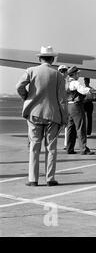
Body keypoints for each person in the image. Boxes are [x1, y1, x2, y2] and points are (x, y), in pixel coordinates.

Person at [16, 46, 67, 186]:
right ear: (52, 59)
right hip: (53, 114)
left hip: (34, 113)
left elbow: (19, 86)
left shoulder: (31, 71)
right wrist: (64, 118)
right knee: (51, 148)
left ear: (40, 58)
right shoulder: (58, 75)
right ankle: (50, 178)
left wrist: (26, 97)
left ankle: (33, 179)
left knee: (34, 147)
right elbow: (62, 99)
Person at [65, 66, 94, 155]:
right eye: (77, 73)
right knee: (81, 127)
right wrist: (91, 90)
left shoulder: (66, 83)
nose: (79, 75)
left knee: (71, 128)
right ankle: (83, 149)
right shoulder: (75, 82)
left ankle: (69, 148)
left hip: (68, 106)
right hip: (76, 106)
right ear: (73, 74)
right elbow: (83, 90)